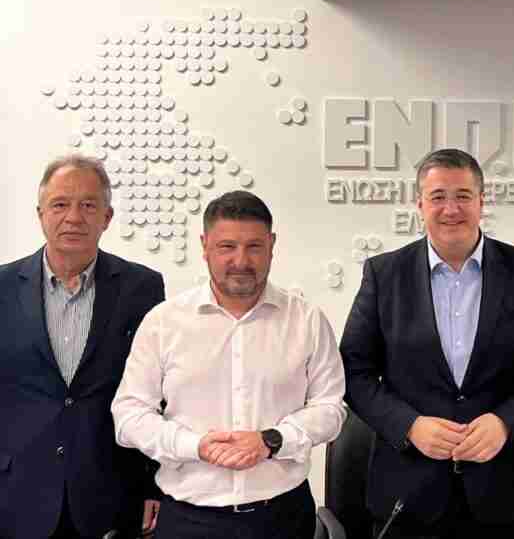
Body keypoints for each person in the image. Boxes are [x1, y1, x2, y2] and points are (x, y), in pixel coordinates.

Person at [340, 148, 514, 538]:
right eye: (438, 197)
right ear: (419, 204)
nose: (451, 209)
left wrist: (506, 423)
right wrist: (409, 425)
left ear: (482, 201)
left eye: (463, 196)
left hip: (502, 491)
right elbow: (353, 371)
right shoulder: (384, 274)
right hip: (408, 493)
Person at [111, 190, 346, 538]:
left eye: (254, 246)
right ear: (204, 246)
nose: (241, 260)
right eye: (227, 247)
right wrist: (194, 446)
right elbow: (129, 416)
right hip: (188, 521)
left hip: (282, 517)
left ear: (272, 245)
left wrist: (272, 440)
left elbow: (331, 408)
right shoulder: (163, 322)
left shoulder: (306, 320)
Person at [0, 154, 164, 538]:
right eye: (60, 204)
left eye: (88, 205)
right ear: (40, 214)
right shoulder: (2, 288)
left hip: (110, 493)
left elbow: (158, 393)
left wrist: (152, 484)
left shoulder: (142, 288)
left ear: (107, 217)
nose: (73, 217)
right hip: (15, 492)